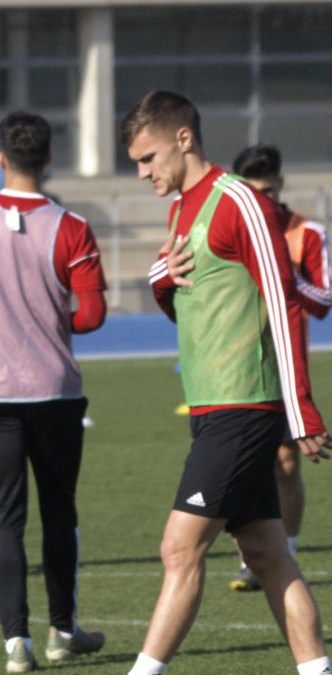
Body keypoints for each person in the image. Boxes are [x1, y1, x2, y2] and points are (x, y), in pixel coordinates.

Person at [122, 90, 332, 675]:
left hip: (245, 405)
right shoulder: (181, 209)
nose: (142, 173)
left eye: (147, 158)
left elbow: (286, 302)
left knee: (179, 547)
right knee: (267, 553)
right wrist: (161, 279)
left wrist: (302, 409)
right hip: (212, 407)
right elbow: (193, 310)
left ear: (183, 139)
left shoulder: (240, 200)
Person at [0, 110, 108, 673]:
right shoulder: (73, 227)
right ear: (50, 160)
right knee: (59, 512)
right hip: (54, 392)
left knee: (3, 518)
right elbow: (94, 314)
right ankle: (63, 630)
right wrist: (48, 325)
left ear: (2, 159)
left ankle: (16, 645)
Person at [226, 144, 331, 592]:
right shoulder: (227, 229)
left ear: (281, 184)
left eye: (268, 190)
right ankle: (253, 558)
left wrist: (281, 273)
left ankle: (284, 548)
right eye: (254, 192)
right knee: (246, 466)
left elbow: (322, 302)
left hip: (285, 366)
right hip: (233, 366)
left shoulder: (307, 232)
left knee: (287, 464)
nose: (263, 200)